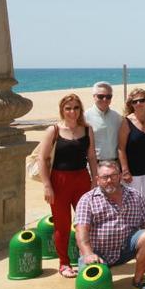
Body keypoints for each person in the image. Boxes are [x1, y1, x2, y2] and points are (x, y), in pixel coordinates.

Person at [37, 94, 99, 278]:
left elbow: (92, 157)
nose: (72, 111)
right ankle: (64, 263)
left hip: (82, 179)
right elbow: (42, 158)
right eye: (68, 108)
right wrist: (47, 185)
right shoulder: (54, 130)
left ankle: (86, 257)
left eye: (76, 108)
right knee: (62, 225)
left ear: (80, 109)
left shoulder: (87, 130)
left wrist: (95, 179)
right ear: (62, 110)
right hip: (59, 180)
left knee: (85, 223)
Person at [75, 161, 145, 289]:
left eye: (113, 176)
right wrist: (88, 253)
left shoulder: (135, 195)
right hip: (97, 253)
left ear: (119, 176)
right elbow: (81, 230)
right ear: (97, 179)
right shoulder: (87, 199)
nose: (109, 180)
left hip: (125, 249)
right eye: (104, 177)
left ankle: (138, 279)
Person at [118, 88, 145, 207]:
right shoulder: (126, 122)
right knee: (133, 203)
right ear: (130, 104)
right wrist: (125, 170)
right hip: (133, 171)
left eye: (142, 100)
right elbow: (120, 148)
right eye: (134, 101)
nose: (138, 104)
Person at [84, 82, 122, 161]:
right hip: (95, 165)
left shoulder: (117, 117)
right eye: (100, 96)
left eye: (108, 96)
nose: (105, 99)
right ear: (94, 97)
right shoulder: (85, 117)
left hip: (115, 165)